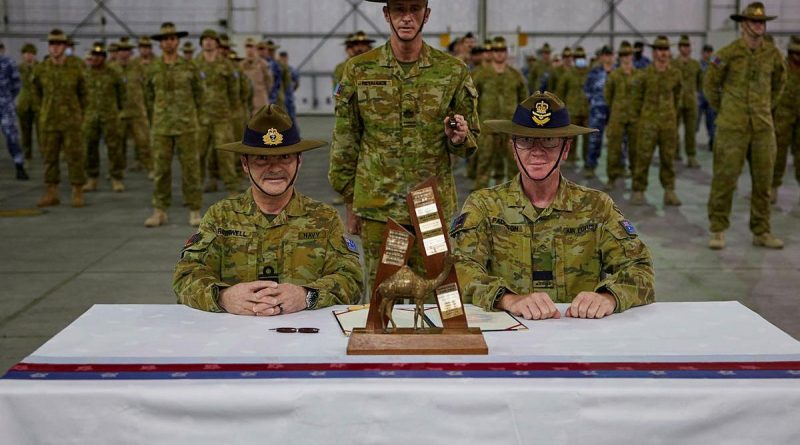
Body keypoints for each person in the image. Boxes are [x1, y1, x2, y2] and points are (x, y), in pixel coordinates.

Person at [451, 91, 655, 320]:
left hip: (579, 335)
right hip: (509, 337)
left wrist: (608, 297)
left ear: (565, 150)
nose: (537, 151)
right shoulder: (485, 206)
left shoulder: (596, 206)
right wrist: (508, 299)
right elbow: (459, 269)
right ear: (513, 148)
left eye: (549, 140)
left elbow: (640, 269)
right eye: (526, 140)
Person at [329, 0, 479, 287]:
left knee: (436, 290)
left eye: (415, 10)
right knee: (382, 295)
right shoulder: (360, 70)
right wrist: (351, 200)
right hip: (378, 208)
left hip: (430, 206)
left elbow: (470, 136)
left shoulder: (452, 70)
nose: (407, 18)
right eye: (398, 10)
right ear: (387, 14)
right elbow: (346, 139)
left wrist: (460, 139)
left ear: (427, 15)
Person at [173, 104, 363, 315]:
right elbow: (186, 275)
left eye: (285, 157)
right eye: (262, 158)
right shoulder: (221, 217)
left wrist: (306, 296)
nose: (274, 168)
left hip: (304, 337)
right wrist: (224, 297)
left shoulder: (324, 218)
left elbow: (351, 279)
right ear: (245, 164)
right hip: (234, 337)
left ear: (299, 161)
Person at [704, 2, 786, 249]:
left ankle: (761, 231)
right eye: (754, 21)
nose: (759, 26)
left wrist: (764, 109)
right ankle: (718, 229)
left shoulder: (773, 54)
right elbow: (710, 86)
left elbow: (779, 85)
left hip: (762, 128)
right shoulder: (727, 53)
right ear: (743, 24)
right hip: (732, 128)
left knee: (763, 181)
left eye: (762, 22)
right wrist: (728, 110)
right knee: (724, 179)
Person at [144, 22, 203, 227]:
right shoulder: (153, 68)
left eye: (172, 38)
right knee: (161, 169)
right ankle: (159, 210)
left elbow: (199, 94)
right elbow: (148, 96)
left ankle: (195, 209)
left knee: (191, 168)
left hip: (186, 125)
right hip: (161, 127)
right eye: (165, 39)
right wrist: (157, 117)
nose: (169, 42)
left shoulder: (190, 67)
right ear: (160, 44)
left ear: (177, 42)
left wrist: (194, 117)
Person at [33, 28, 87, 207]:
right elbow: (36, 94)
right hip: (49, 121)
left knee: (75, 157)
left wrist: (81, 115)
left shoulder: (76, 67)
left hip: (71, 121)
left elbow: (84, 94)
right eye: (52, 44)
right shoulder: (41, 69)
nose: (55, 48)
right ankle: (51, 193)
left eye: (59, 44)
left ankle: (77, 191)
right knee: (50, 158)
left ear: (65, 46)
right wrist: (43, 112)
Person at [630, 36, 682, 207]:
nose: (663, 53)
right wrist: (640, 121)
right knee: (643, 157)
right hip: (647, 123)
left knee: (668, 158)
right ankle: (638, 190)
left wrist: (672, 115)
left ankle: (669, 190)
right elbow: (636, 100)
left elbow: (678, 97)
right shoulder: (644, 74)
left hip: (668, 124)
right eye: (659, 50)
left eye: (665, 50)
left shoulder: (675, 74)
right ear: (654, 53)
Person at [471, 36, 527, 189]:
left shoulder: (515, 75)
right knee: (484, 163)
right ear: (492, 53)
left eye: (502, 50)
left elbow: (524, 100)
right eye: (496, 50)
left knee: (514, 164)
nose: (499, 54)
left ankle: (515, 195)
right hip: (488, 128)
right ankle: (479, 196)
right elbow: (472, 99)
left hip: (511, 128)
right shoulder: (481, 75)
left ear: (506, 53)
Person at [194, 29, 240, 198]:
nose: (208, 42)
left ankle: (232, 188)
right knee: (198, 153)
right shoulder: (194, 64)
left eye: (212, 39)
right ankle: (195, 188)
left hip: (222, 117)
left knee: (225, 153)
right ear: (201, 43)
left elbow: (234, 91)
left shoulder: (226, 64)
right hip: (201, 117)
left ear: (217, 43)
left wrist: (232, 110)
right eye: (205, 39)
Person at [81, 42, 125, 193]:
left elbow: (122, 94)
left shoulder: (113, 74)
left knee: (114, 148)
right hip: (90, 116)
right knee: (90, 147)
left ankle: (116, 178)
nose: (96, 58)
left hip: (110, 116)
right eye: (94, 55)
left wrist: (118, 110)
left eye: (99, 56)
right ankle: (92, 178)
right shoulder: (85, 74)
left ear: (104, 58)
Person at [604, 41, 638, 190]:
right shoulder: (614, 75)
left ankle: (637, 179)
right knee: (614, 148)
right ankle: (612, 177)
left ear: (632, 56)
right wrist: (617, 108)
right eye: (623, 55)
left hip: (634, 117)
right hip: (617, 116)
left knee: (635, 149)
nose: (626, 58)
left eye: (628, 54)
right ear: (620, 57)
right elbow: (608, 95)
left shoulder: (640, 75)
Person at [115, 36, 152, 176]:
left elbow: (147, 87)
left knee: (144, 142)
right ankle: (117, 171)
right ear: (117, 52)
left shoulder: (139, 67)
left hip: (137, 111)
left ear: (131, 52)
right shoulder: (112, 68)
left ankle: (151, 169)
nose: (124, 53)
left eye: (126, 50)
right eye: (121, 50)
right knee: (118, 145)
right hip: (119, 112)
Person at [770, 36, 799, 204]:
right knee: (778, 154)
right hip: (782, 117)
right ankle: (773, 187)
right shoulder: (780, 68)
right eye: (796, 53)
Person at [583, 45, 614, 178]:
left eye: (609, 55)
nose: (607, 58)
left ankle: (620, 166)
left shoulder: (617, 72)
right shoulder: (594, 73)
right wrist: (594, 102)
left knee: (618, 140)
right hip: (598, 110)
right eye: (605, 55)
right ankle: (591, 165)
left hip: (615, 110)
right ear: (601, 57)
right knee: (594, 139)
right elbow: (586, 89)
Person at [556, 46, 590, 168]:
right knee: (571, 137)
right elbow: (560, 93)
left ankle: (588, 161)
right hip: (572, 111)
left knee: (588, 139)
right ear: (574, 59)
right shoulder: (568, 74)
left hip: (588, 111)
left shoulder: (590, 73)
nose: (580, 59)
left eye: (582, 57)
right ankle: (570, 158)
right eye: (577, 57)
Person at [673, 35, 702, 168]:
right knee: (673, 129)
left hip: (691, 102)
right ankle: (675, 152)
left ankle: (691, 156)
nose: (686, 49)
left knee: (691, 130)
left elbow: (700, 83)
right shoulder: (673, 64)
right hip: (675, 101)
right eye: (684, 46)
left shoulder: (695, 65)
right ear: (679, 48)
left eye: (688, 46)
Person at [0, 43, 26, 180]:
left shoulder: (9, 62)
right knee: (12, 136)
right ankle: (19, 165)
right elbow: (16, 85)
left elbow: (17, 83)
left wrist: (8, 98)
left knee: (12, 137)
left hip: (5, 106)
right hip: (6, 103)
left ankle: (19, 166)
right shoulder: (9, 62)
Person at [16, 43, 38, 163]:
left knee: (42, 133)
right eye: (26, 54)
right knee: (25, 132)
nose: (28, 56)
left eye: (31, 54)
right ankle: (27, 155)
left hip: (38, 104)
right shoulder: (18, 68)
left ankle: (46, 154)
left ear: (34, 55)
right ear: (23, 55)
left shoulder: (40, 68)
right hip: (24, 103)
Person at [242, 37, 273, 110]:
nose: (249, 50)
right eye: (247, 47)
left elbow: (269, 83)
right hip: (245, 105)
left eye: (251, 47)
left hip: (260, 103)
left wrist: (262, 93)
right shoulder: (241, 65)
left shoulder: (263, 64)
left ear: (255, 48)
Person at [697, 44, 717, 151]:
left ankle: (712, 141)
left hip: (710, 96)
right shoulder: (697, 65)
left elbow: (723, 66)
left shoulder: (714, 63)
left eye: (710, 52)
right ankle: (691, 141)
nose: (708, 54)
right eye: (706, 52)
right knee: (695, 120)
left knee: (712, 121)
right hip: (700, 96)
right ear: (702, 52)